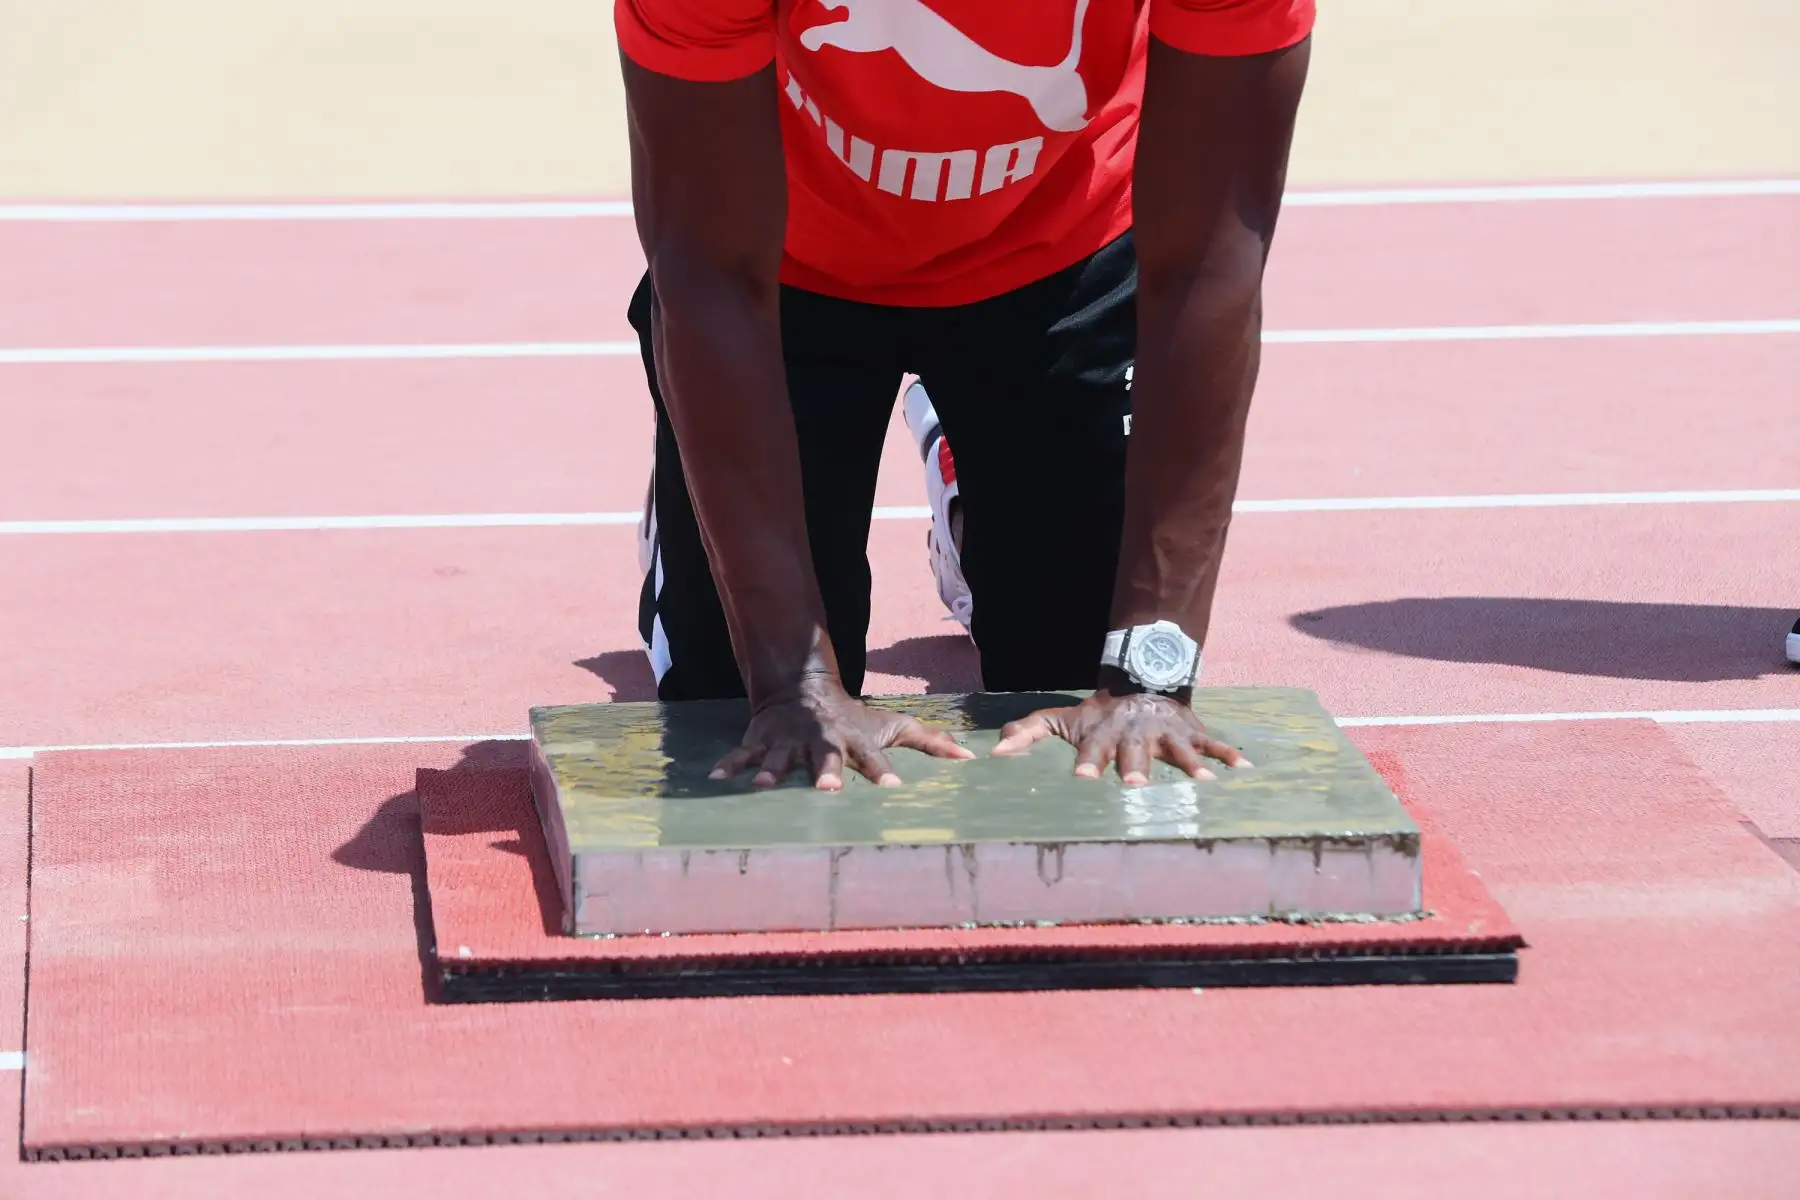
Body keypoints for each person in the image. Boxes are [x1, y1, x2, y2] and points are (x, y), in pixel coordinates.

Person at [621, 0, 1313, 789]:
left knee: (1083, 700)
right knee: (736, 718)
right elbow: (707, 272)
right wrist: (793, 680)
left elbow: (1207, 257)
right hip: (782, 270)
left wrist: (1151, 669)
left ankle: (967, 477)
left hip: (1061, 259)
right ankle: (695, 494)